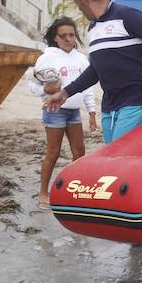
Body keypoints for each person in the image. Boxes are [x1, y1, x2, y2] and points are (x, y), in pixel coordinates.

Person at [45, 0, 142, 143]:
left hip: (135, 101)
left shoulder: (126, 16)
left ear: (85, 0)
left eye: (78, 5)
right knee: (113, 159)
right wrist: (65, 93)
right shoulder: (93, 28)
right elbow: (95, 70)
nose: (80, 10)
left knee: (117, 158)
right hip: (109, 106)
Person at [30, 17, 97, 210]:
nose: (68, 39)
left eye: (71, 35)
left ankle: (75, 190)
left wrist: (92, 110)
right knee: (53, 152)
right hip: (55, 111)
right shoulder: (47, 58)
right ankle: (44, 192)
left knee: (80, 152)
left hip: (74, 111)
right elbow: (32, 85)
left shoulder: (81, 58)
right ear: (55, 38)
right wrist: (46, 91)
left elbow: (88, 87)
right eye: (63, 36)